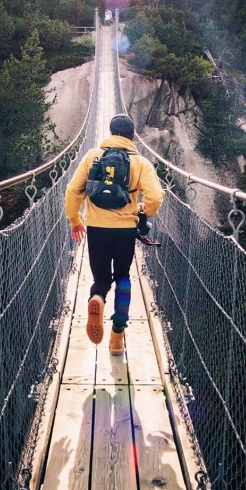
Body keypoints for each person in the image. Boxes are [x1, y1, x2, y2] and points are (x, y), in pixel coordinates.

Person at [64, 114, 164, 355]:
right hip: (125, 232)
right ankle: (117, 336)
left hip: (96, 228)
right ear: (132, 135)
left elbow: (72, 190)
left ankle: (96, 297)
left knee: (101, 278)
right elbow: (155, 198)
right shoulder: (140, 163)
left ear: (110, 133)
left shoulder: (92, 157)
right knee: (122, 278)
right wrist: (142, 212)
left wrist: (75, 219)